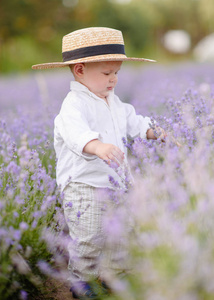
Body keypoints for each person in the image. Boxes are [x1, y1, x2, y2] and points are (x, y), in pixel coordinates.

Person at [32, 27, 166, 299]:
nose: (114, 79)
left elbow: (132, 119)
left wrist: (152, 131)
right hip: (84, 187)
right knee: (89, 239)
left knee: (120, 234)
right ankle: (82, 283)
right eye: (107, 73)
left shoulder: (112, 100)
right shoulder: (74, 105)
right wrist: (97, 146)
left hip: (116, 183)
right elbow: (75, 135)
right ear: (80, 70)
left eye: (116, 72)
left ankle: (113, 275)